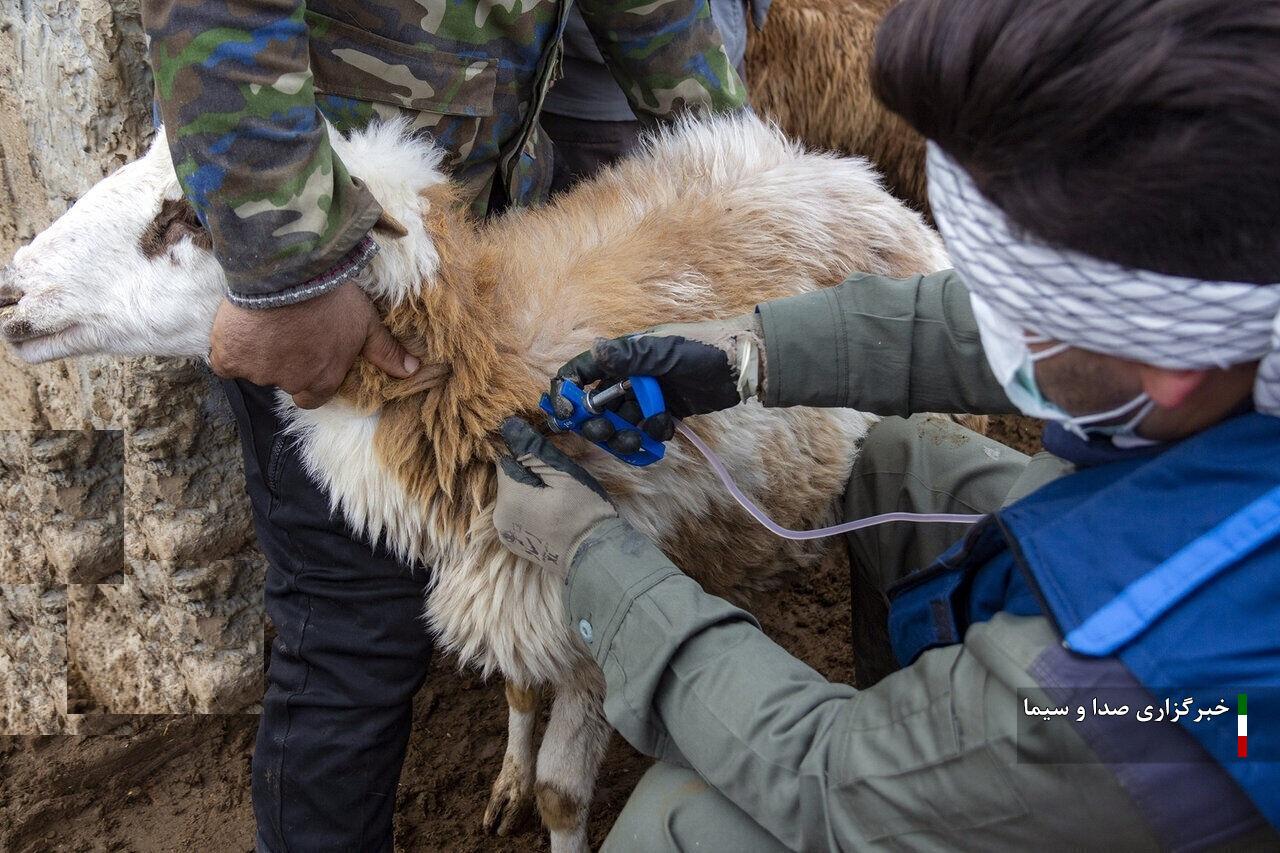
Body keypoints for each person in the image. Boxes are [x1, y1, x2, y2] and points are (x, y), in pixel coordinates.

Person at [491, 0, 1280, 848]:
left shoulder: (1128, 688)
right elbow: (989, 323)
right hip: (1166, 545)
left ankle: (945, 774)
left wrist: (596, 565)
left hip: (1183, 719)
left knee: (676, 822)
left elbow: (827, 775)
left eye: (1016, 302)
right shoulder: (1229, 302)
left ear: (1168, 363)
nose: (988, 313)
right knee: (892, 462)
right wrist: (747, 352)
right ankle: (932, 722)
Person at [139, 0, 746, 848]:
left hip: (477, 239)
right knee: (351, 622)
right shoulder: (308, 270)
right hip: (330, 259)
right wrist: (294, 273)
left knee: (514, 548)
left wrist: (736, 169)